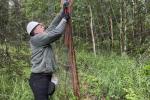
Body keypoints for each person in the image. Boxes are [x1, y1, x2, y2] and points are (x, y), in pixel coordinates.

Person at [26, 4, 70, 100]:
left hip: (45, 76)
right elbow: (56, 33)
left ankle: (52, 84)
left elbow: (52, 26)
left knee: (49, 94)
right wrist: (64, 20)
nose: (42, 26)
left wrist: (62, 12)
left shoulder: (41, 36)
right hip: (39, 79)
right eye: (39, 26)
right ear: (35, 31)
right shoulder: (36, 39)